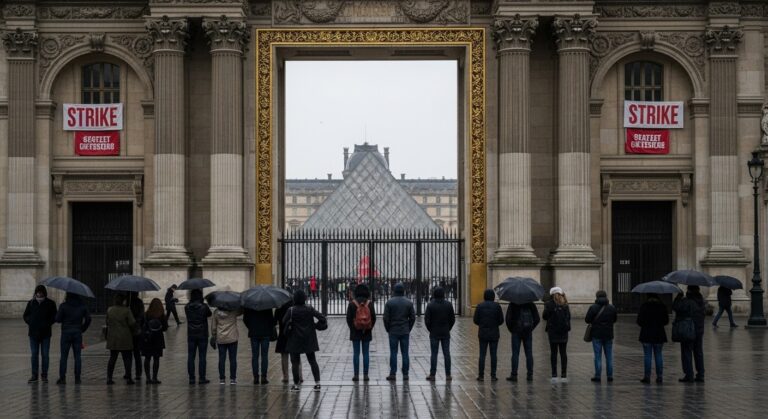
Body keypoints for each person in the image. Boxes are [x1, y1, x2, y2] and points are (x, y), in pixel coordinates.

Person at [283, 290, 327, 392]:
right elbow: (322, 318)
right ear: (304, 299)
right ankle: (317, 383)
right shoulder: (309, 309)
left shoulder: (291, 310)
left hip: (294, 339)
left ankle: (296, 385)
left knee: (295, 362)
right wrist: (315, 326)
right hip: (308, 338)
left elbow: (284, 321)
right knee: (312, 361)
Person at [54, 292, 91, 385]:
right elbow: (88, 319)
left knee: (64, 357)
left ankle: (62, 378)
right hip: (77, 332)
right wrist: (83, 328)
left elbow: (57, 319)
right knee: (77, 356)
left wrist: (62, 311)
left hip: (66, 332)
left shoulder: (64, 305)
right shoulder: (82, 306)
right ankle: (77, 378)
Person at [23, 285, 57, 383]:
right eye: (38, 292)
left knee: (45, 355)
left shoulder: (50, 303)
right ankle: (34, 374)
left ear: (44, 292)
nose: (39, 293)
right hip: (33, 333)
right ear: (35, 292)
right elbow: (25, 315)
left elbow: (55, 316)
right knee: (34, 354)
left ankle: (44, 375)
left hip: (46, 334)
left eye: (41, 292)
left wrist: (47, 324)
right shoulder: (31, 303)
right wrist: (30, 321)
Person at [383, 283, 416, 381]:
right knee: (405, 353)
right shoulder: (409, 303)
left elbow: (386, 318)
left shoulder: (389, 302)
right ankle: (405, 374)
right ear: (403, 291)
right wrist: (408, 328)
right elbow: (413, 317)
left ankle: (393, 373)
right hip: (404, 330)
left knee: (393, 352)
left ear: (394, 291)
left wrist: (388, 328)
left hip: (393, 330)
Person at [674, 285, 706, 383]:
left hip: (688, 330)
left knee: (686, 352)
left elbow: (676, 308)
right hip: (699, 330)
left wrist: (678, 296)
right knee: (698, 352)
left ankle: (689, 375)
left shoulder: (686, 301)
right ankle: (700, 374)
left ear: (689, 291)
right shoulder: (701, 302)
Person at [585, 290, 618, 383]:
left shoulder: (593, 307)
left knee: (598, 356)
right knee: (609, 356)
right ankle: (610, 375)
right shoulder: (612, 307)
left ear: (596, 297)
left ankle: (598, 376)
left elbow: (587, 320)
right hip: (608, 335)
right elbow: (615, 319)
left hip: (596, 335)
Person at [346, 284, 376, 381]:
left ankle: (356, 375)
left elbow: (348, 319)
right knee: (366, 353)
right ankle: (366, 375)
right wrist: (369, 328)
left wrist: (353, 328)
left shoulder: (352, 304)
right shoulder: (369, 304)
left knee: (356, 353)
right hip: (366, 332)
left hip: (355, 332)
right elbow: (374, 318)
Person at [424, 287, 455, 381]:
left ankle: (432, 374)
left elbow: (427, 320)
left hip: (434, 332)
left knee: (434, 353)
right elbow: (452, 319)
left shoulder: (430, 305)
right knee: (447, 353)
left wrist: (431, 329)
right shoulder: (448, 305)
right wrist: (448, 328)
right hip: (445, 332)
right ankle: (448, 374)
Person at [636, 293, 668, 384]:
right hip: (659, 334)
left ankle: (647, 377)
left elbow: (639, 321)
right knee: (658, 356)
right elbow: (666, 321)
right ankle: (659, 377)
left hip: (646, 334)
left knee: (647, 356)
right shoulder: (662, 306)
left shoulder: (644, 306)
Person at [505, 299, 540, 382]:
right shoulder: (531, 303)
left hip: (516, 331)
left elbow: (508, 319)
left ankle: (514, 375)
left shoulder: (513, 303)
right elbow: (537, 319)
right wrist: (531, 328)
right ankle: (530, 375)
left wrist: (512, 329)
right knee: (529, 353)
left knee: (515, 353)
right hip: (527, 331)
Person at [473, 289, 504, 381]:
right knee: (493, 355)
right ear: (493, 297)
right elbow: (501, 320)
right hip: (494, 333)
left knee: (482, 354)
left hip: (483, 333)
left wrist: (482, 324)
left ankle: (481, 375)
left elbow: (475, 320)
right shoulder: (497, 306)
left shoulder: (480, 306)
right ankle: (493, 375)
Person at [106, 293, 136, 385]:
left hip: (113, 337)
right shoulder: (126, 310)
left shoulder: (110, 309)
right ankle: (129, 377)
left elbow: (107, 322)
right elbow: (132, 323)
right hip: (125, 337)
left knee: (112, 358)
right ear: (123, 301)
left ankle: (109, 378)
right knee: (127, 358)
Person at [542, 287, 571, 383]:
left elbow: (544, 316)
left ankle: (554, 374)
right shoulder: (565, 303)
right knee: (563, 353)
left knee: (553, 353)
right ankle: (564, 375)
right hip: (563, 332)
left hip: (553, 332)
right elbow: (569, 317)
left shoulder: (549, 304)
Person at [185, 288, 212, 384]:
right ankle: (202, 378)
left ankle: (191, 378)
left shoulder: (187, 307)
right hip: (202, 334)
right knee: (202, 356)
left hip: (191, 334)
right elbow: (209, 314)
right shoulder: (204, 307)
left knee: (191, 356)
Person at [243, 307, 276, 385]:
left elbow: (245, 319)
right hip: (265, 333)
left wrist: (251, 327)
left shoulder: (249, 306)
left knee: (255, 356)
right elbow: (271, 320)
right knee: (264, 356)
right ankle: (264, 377)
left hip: (254, 333)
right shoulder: (267, 305)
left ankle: (256, 378)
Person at [211, 305, 243, 385]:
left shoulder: (216, 312)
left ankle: (222, 379)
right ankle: (233, 379)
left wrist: (214, 335)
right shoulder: (233, 312)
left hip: (221, 338)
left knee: (221, 359)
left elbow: (214, 327)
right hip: (232, 338)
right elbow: (242, 311)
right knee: (233, 359)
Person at [140, 298, 168, 384]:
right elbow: (165, 328)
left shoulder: (146, 314)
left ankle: (148, 378)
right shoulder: (162, 315)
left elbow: (142, 326)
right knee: (156, 359)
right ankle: (154, 377)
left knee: (147, 358)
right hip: (158, 339)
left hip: (148, 339)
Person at [275, 299, 300, 383]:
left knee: (284, 356)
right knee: (296, 356)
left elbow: (275, 322)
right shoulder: (294, 309)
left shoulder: (279, 309)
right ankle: (300, 375)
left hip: (283, 334)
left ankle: (285, 376)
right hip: (293, 334)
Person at [128, 291, 145, 381]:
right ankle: (138, 373)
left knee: (128, 353)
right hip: (137, 330)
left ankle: (128, 372)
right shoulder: (140, 302)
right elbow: (142, 315)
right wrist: (138, 323)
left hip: (129, 330)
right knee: (137, 353)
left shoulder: (128, 302)